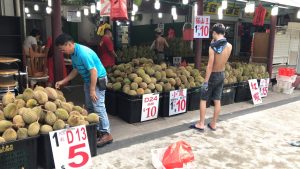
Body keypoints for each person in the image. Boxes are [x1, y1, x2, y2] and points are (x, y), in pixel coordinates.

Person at [55, 34, 113, 147]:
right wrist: (63, 81)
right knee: (89, 106)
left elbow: (94, 71)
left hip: (98, 80)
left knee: (98, 106)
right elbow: (75, 70)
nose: (62, 51)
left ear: (69, 44)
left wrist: (92, 90)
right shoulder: (73, 54)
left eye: (62, 49)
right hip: (89, 81)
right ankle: (96, 130)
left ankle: (106, 133)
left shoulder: (83, 53)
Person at [190, 23, 232, 131]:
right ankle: (213, 124)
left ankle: (201, 123)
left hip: (212, 75)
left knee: (203, 99)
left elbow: (209, 66)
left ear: (215, 33)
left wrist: (205, 82)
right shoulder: (229, 46)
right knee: (217, 100)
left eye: (212, 33)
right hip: (222, 73)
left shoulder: (212, 48)